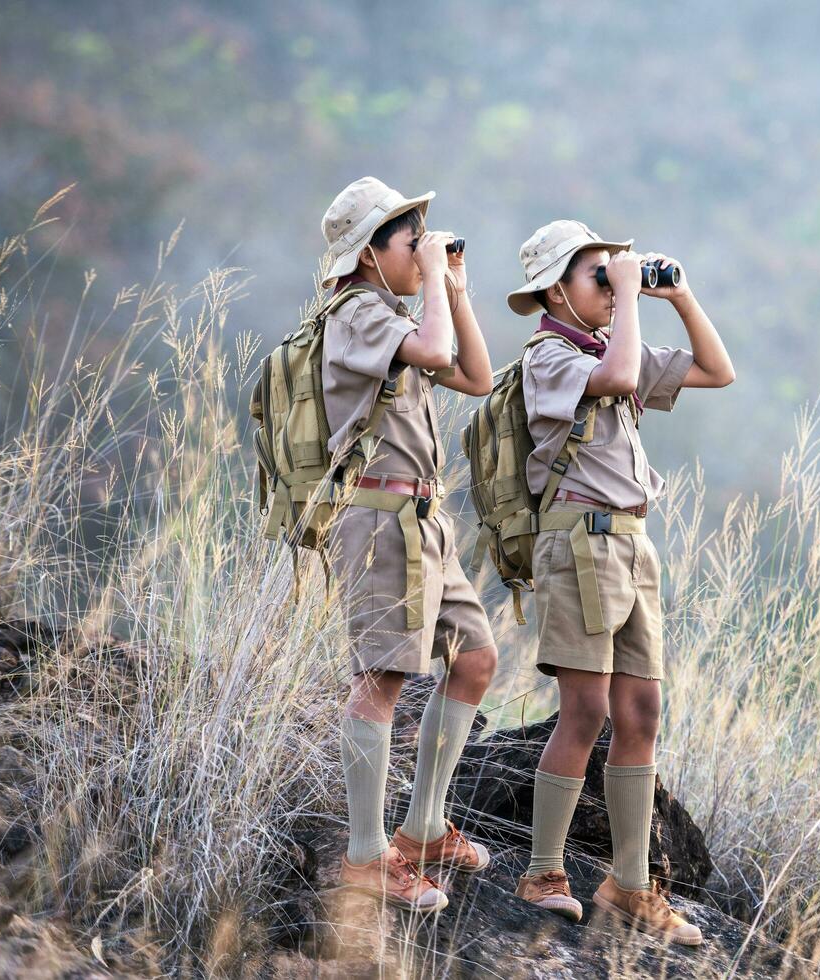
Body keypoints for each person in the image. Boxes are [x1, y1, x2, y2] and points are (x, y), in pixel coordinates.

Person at [505, 219, 735, 945]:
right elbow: (616, 379)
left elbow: (715, 369)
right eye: (595, 277)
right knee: (584, 713)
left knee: (641, 714)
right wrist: (631, 300)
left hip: (631, 545)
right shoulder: (547, 355)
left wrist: (679, 295)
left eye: (613, 275)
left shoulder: (615, 344)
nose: (610, 290)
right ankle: (543, 871)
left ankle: (632, 884)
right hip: (578, 543)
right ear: (555, 289)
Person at [317, 176, 497, 913]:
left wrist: (450, 286)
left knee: (476, 657)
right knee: (382, 678)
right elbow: (431, 349)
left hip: (424, 519)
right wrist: (431, 286)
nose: (420, 245)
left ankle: (423, 829)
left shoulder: (396, 314)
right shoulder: (355, 313)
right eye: (407, 238)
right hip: (377, 517)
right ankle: (365, 857)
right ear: (367, 256)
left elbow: (478, 377)